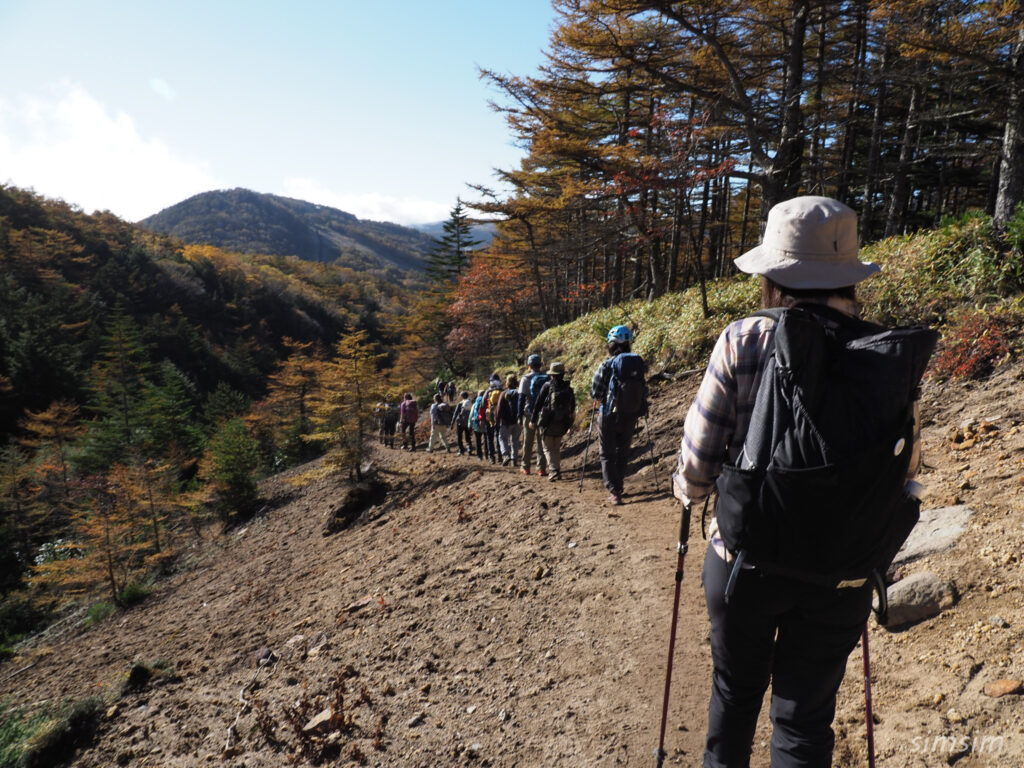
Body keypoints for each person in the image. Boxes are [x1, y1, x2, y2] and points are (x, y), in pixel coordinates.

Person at [673, 196, 916, 768]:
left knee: (734, 695)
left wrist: (689, 490)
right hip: (843, 569)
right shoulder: (882, 354)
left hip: (745, 560)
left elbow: (700, 459)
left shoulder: (743, 338)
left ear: (773, 275)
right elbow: (905, 472)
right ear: (850, 275)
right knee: (805, 721)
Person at [590, 326, 648, 505]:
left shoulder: (607, 364)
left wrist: (600, 397)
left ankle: (614, 490)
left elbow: (596, 391)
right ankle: (619, 487)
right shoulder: (637, 363)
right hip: (630, 415)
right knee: (623, 452)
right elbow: (644, 390)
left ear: (611, 344)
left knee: (607, 454)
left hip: (608, 414)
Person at [530, 361, 575, 480]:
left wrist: (533, 420)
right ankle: (557, 470)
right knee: (556, 447)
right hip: (562, 422)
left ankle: (554, 470)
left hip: (547, 421)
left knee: (547, 448)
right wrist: (570, 423)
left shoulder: (547, 386)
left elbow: (538, 404)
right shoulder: (568, 388)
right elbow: (573, 407)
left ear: (552, 374)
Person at [517, 354, 547, 476]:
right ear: (540, 365)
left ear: (529, 366)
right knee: (541, 442)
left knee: (528, 442)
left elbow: (521, 398)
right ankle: (541, 468)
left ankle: (526, 467)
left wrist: (519, 415)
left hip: (529, 413)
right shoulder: (546, 378)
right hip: (543, 414)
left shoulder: (526, 378)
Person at [496, 373, 521, 467]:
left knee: (502, 438)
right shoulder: (519, 393)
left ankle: (506, 455)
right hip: (517, 421)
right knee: (515, 439)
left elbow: (499, 409)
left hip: (505, 422)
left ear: (507, 383)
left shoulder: (503, 394)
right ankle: (514, 459)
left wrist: (497, 421)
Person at [450, 390, 474, 455]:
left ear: (462, 396)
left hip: (460, 423)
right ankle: (469, 448)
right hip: (468, 422)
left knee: (459, 437)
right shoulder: (470, 403)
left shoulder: (460, 404)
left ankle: (461, 450)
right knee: (468, 436)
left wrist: (452, 424)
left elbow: (455, 414)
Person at [468, 389, 487, 459]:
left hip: (477, 423)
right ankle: (487, 454)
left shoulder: (475, 404)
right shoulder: (488, 401)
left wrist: (469, 424)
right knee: (486, 439)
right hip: (486, 423)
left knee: (478, 440)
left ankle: (479, 455)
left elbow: (471, 415)